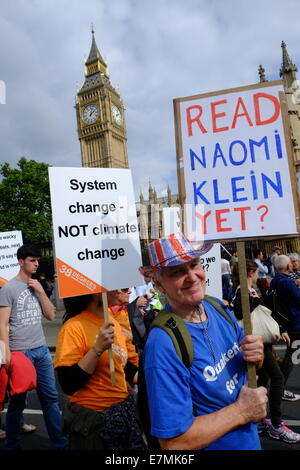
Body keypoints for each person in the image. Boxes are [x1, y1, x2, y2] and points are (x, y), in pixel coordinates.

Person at [143, 233, 267, 450]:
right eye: (177, 271)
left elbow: (248, 371)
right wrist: (242, 411)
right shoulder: (163, 344)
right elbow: (173, 443)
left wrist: (257, 356)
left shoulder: (217, 307)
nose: (192, 276)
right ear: (159, 285)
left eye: (194, 264)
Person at [54, 291, 146, 450]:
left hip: (123, 416)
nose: (124, 291)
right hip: (93, 424)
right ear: (97, 293)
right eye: (118, 287)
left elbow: (122, 365)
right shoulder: (73, 327)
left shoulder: (112, 323)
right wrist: (97, 349)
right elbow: (68, 383)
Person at [0, 244, 68, 450]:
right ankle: (13, 444)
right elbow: (2, 324)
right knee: (18, 402)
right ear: (21, 262)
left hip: (41, 350)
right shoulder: (9, 288)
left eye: (38, 260)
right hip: (20, 353)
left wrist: (40, 291)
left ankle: (59, 443)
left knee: (50, 398)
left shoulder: (38, 285)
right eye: (32, 260)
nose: (36, 263)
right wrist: (7, 354)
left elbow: (49, 315)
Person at [232, 259, 300, 443]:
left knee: (265, 379)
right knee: (277, 378)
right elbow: (239, 312)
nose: (258, 276)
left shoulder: (249, 290)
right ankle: (277, 425)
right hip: (257, 341)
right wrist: (254, 302)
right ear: (250, 273)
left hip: (262, 341)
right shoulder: (242, 291)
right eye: (255, 273)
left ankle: (262, 420)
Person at [271, 255, 300, 402]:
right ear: (288, 266)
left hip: (286, 322)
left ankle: (279, 387)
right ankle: (280, 388)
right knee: (291, 356)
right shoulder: (288, 282)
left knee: (292, 354)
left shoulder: (274, 281)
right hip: (295, 322)